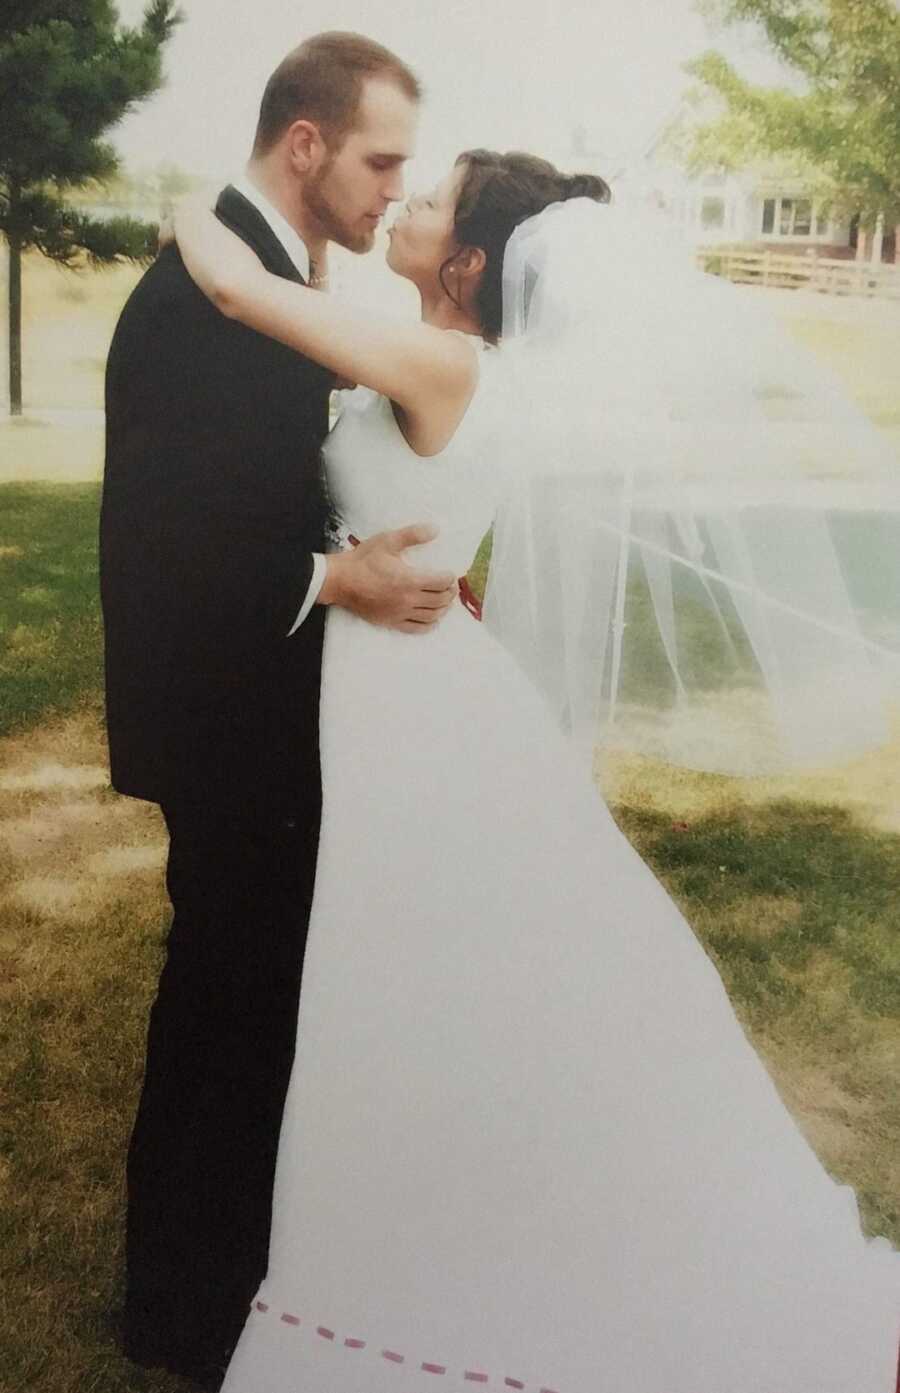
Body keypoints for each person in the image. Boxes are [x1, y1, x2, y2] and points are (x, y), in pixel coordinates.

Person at [173, 144, 900, 1391]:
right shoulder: (449, 359)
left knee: (409, 967)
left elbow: (243, 293)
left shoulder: (448, 360)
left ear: (465, 263)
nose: (403, 202)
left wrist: (192, 202)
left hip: (408, 698)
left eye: (433, 199)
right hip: (416, 667)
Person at [99, 33, 460, 1389]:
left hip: (260, 708)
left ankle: (216, 1277)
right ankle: (185, 1313)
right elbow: (163, 544)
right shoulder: (208, 300)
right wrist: (335, 575)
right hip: (226, 713)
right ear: (305, 144)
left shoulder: (253, 268)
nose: (389, 189)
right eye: (379, 160)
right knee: (228, 1004)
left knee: (244, 1002)